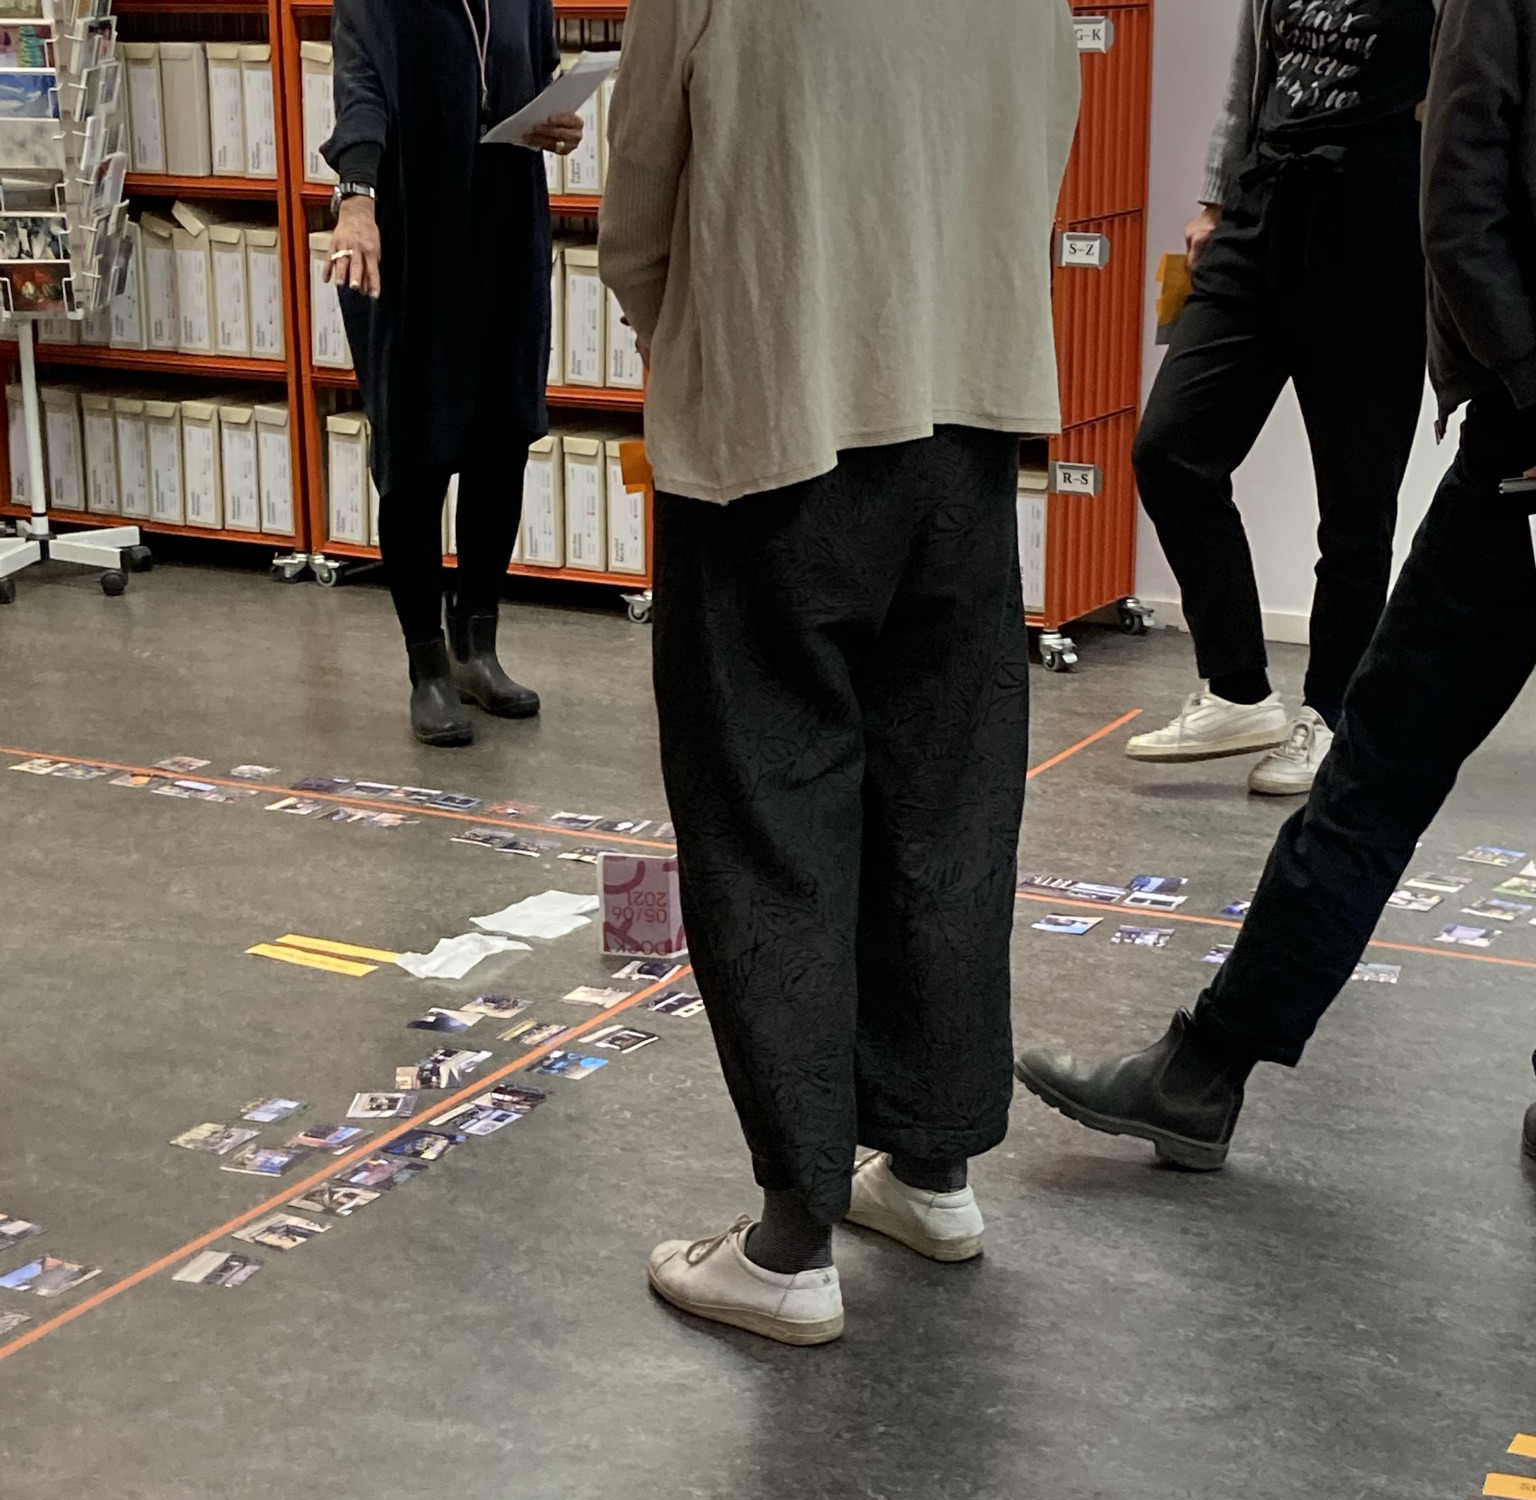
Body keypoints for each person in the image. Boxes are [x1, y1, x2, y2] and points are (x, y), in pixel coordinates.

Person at [599, 0, 1080, 1347]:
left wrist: (673, 330)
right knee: (947, 807)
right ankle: (930, 1170)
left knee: (770, 816)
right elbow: (1043, 141)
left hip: (782, 409)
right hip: (969, 415)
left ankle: (792, 1237)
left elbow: (640, 199)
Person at [1016, 0, 1536, 1170]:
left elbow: (1459, 196)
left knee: (1377, 764)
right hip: (1298, 228)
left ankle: (1203, 1070)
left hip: (1516, 441)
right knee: (1175, 453)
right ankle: (1240, 692)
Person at [1124, 0, 1436, 798]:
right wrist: (1215, 199)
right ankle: (1236, 689)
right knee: (1169, 450)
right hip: (1263, 204)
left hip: (1379, 223)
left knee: (1356, 504)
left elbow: (1473, 93)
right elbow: (1249, 73)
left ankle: (1330, 714)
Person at [323, 0, 584, 748]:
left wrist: (557, 123)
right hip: (413, 238)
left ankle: (476, 647)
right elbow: (361, 93)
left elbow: (537, 75)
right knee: (415, 457)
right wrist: (357, 200)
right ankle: (428, 669)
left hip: (506, 231)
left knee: (503, 443)